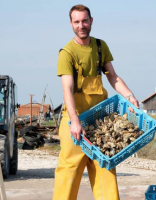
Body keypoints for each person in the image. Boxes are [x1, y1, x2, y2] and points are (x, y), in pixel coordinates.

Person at [53, 4, 139, 200]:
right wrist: (75, 121)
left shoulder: (100, 46)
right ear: (71, 24)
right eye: (77, 22)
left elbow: (113, 77)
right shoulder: (66, 53)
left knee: (106, 172)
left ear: (91, 21)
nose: (81, 25)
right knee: (69, 174)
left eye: (84, 21)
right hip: (74, 123)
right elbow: (67, 89)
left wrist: (129, 96)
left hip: (100, 122)